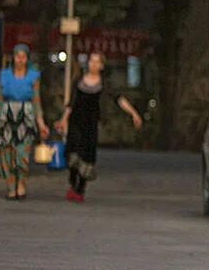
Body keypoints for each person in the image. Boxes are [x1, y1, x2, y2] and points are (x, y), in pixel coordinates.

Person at [55, 52, 143, 202]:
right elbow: (71, 103)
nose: (93, 64)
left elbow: (119, 99)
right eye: (91, 61)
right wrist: (63, 120)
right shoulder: (78, 81)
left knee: (86, 156)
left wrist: (133, 113)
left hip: (91, 123)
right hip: (76, 122)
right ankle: (72, 181)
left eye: (97, 62)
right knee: (72, 154)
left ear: (101, 66)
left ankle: (80, 189)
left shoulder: (104, 83)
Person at [0, 44, 50, 200]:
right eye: (17, 56)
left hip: (26, 116)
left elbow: (36, 101)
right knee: (6, 153)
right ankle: (10, 185)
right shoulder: (4, 75)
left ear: (27, 59)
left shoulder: (33, 76)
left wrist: (40, 123)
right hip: (6, 116)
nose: (20, 60)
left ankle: (21, 184)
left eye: (23, 57)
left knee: (22, 154)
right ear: (13, 58)